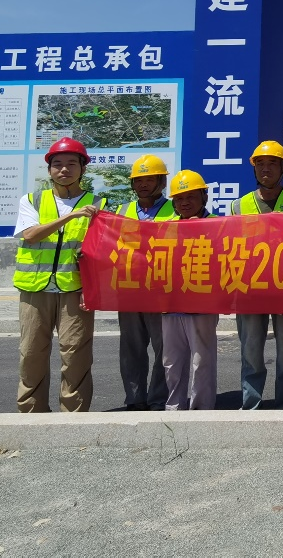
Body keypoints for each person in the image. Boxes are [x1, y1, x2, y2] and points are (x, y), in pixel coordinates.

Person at [13, 137, 106, 413]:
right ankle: (32, 413)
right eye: (57, 164)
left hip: (75, 290)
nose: (64, 169)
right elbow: (30, 235)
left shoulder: (98, 204)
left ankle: (73, 416)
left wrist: (93, 289)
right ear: (49, 169)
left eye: (71, 164)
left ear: (83, 168)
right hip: (35, 289)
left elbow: (103, 252)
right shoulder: (32, 200)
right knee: (31, 353)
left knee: (76, 355)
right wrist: (71, 216)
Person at [229, 140, 283, 410]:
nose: (266, 169)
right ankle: (251, 404)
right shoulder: (239, 206)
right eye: (260, 164)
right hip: (250, 289)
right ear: (253, 168)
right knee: (251, 350)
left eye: (273, 163)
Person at [113, 154, 174, 411]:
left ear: (162, 182)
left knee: (164, 348)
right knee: (131, 348)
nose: (144, 184)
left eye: (150, 179)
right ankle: (135, 398)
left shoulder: (175, 210)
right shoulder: (120, 212)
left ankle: (158, 398)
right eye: (139, 180)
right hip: (129, 290)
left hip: (161, 290)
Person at [160, 170, 220, 411]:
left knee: (201, 361)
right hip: (171, 304)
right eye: (179, 198)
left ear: (204, 197)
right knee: (171, 362)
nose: (185, 202)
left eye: (191, 197)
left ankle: (201, 410)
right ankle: (174, 408)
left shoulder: (219, 225)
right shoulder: (166, 228)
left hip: (201, 305)